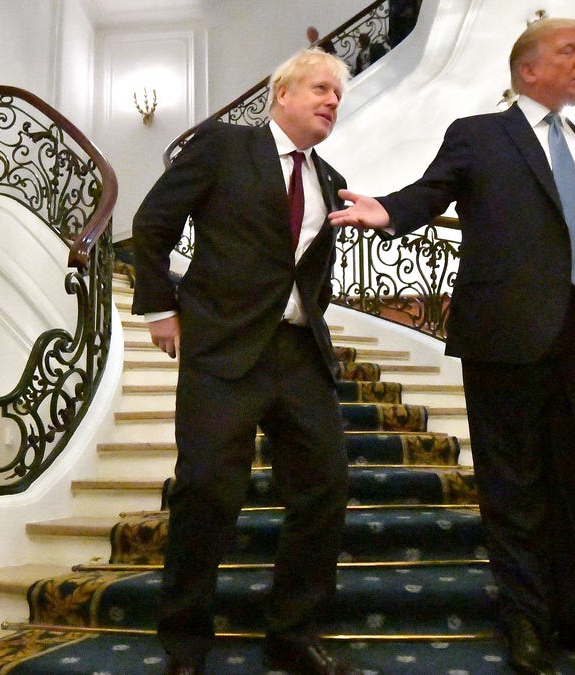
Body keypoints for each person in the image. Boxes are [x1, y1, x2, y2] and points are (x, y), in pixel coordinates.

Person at [329, 17, 575, 675]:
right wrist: (386, 212)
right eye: (570, 51)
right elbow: (431, 191)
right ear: (528, 69)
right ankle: (526, 627)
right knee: (512, 487)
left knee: (574, 485)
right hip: (506, 331)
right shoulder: (479, 134)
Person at [132, 48, 358, 675]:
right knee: (205, 491)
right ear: (281, 93)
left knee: (326, 486)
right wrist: (160, 309)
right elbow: (152, 224)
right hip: (222, 349)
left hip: (298, 355)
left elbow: (310, 269)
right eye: (320, 89)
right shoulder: (223, 146)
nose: (331, 102)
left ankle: (293, 632)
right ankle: (184, 639)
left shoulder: (329, 177)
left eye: (337, 96)